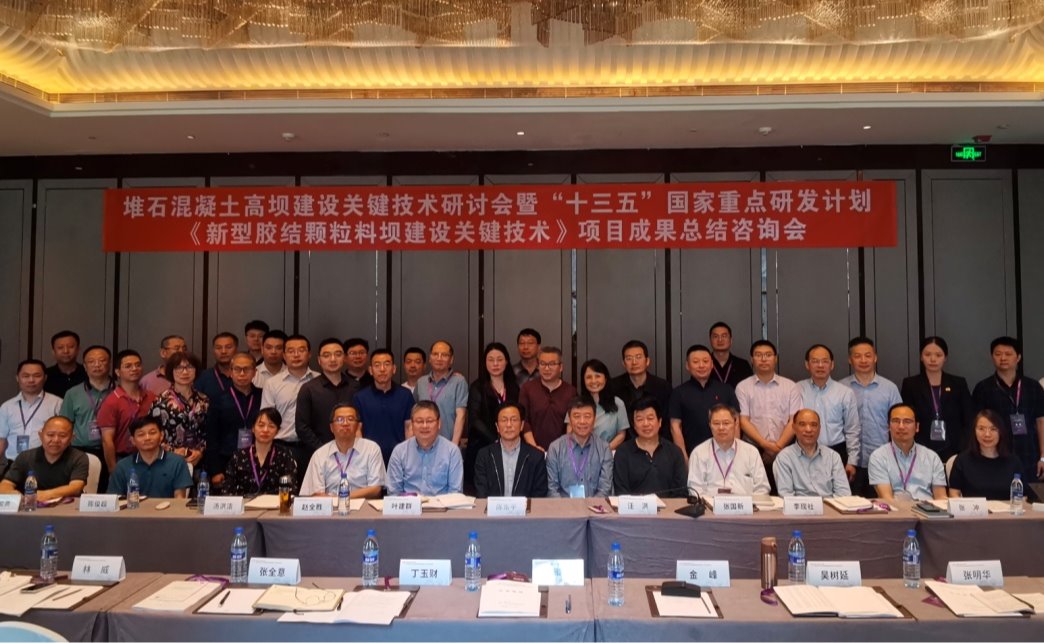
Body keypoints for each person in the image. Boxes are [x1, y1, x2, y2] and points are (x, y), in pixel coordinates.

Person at [972, 336, 1044, 482]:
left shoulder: (1033, 386)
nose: (1003, 358)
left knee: (1029, 494)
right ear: (992, 357)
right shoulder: (983, 388)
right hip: (995, 454)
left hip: (1029, 453)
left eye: (1008, 354)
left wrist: (1043, 456)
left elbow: (1041, 421)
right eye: (998, 354)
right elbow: (977, 426)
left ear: (1018, 357)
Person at [841, 336, 902, 494]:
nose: (863, 360)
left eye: (868, 355)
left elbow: (898, 424)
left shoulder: (890, 388)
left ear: (875, 357)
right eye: (857, 356)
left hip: (882, 460)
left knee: (882, 504)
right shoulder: (841, 388)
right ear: (850, 360)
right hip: (848, 461)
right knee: (849, 505)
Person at [901, 336, 974, 463]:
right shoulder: (911, 384)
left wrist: (962, 447)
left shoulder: (958, 383)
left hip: (954, 449)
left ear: (945, 357)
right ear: (921, 357)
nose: (933, 359)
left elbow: (969, 418)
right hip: (920, 449)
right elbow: (907, 418)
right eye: (927, 354)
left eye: (938, 355)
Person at [797, 344, 860, 483]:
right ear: (807, 364)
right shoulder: (797, 389)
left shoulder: (845, 392)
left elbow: (852, 430)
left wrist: (852, 461)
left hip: (837, 452)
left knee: (837, 493)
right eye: (815, 361)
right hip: (803, 453)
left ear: (832, 365)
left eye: (825, 361)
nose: (820, 365)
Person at [735, 340, 801, 470]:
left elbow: (794, 420)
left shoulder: (790, 386)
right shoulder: (742, 387)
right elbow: (743, 420)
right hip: (753, 449)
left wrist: (778, 447)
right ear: (752, 359)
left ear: (775, 359)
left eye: (768, 355)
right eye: (758, 355)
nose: (763, 359)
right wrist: (765, 445)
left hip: (785, 449)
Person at [260, 334, 318, 479]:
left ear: (309, 354)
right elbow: (267, 418)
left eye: (301, 350)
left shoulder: (320, 380)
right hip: (282, 446)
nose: (296, 355)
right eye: (291, 351)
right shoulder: (272, 383)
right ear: (284, 356)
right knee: (283, 490)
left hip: (314, 447)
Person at [668, 345, 740, 461]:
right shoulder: (678, 392)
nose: (701, 365)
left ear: (712, 364)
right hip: (692, 455)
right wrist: (684, 459)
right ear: (687, 365)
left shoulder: (726, 389)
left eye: (705, 361)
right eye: (695, 362)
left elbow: (736, 421)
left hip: (725, 455)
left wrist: (735, 454)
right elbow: (675, 427)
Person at [300, 404, 386, 498]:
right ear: (331, 427)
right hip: (331, 506)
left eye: (350, 419)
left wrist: (340, 498)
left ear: (358, 426)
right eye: (339, 419)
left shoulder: (371, 449)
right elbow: (316, 494)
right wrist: (336, 501)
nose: (345, 423)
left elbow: (376, 489)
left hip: (364, 505)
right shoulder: (319, 455)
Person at [59, 344, 114, 489]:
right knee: (83, 492)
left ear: (109, 363)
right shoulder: (73, 393)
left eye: (102, 360)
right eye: (91, 361)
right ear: (84, 366)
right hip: (81, 451)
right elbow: (65, 424)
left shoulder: (119, 390)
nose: (97, 365)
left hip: (112, 450)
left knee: (110, 492)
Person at [867, 403, 947, 502]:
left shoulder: (932, 457)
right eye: (896, 421)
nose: (901, 426)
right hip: (896, 509)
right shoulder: (878, 457)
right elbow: (886, 498)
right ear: (888, 426)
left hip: (928, 509)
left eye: (907, 421)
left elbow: (941, 498)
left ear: (917, 427)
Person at [687, 404, 770, 497]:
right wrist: (712, 504)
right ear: (710, 425)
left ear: (735, 423)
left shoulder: (751, 452)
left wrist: (748, 504)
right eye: (716, 423)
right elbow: (695, 490)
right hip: (710, 505)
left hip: (745, 505)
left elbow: (762, 488)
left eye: (726, 423)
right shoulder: (698, 453)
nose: (721, 428)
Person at [466, 343, 520, 487]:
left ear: (506, 361)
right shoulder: (477, 387)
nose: (495, 364)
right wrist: (496, 440)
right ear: (485, 363)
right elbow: (475, 419)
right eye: (490, 360)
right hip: (482, 445)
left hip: (511, 445)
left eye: (499, 359)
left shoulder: (514, 386)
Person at [205, 352, 262, 486]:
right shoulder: (218, 398)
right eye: (237, 369)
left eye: (246, 369)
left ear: (255, 372)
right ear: (230, 372)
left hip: (257, 459)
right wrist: (215, 470)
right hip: (226, 459)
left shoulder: (263, 396)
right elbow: (212, 436)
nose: (242, 374)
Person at [612, 396, 687, 497]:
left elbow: (680, 493)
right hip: (634, 507)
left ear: (660, 422)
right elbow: (621, 492)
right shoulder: (623, 453)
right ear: (634, 425)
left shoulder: (674, 452)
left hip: (669, 507)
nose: (646, 424)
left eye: (650, 418)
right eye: (640, 419)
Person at [97, 350, 157, 474]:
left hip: (151, 456)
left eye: (138, 365)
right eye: (128, 366)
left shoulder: (151, 397)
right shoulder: (111, 401)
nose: (134, 369)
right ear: (117, 372)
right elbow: (107, 441)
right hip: (124, 459)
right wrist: (113, 470)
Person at [0, 416, 88, 501]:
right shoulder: (25, 457)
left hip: (66, 507)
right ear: (41, 435)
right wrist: (13, 494)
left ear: (72, 438)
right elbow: (6, 484)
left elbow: (76, 488)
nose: (56, 440)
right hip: (30, 506)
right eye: (50, 435)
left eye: (62, 435)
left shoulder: (79, 457)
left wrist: (46, 495)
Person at [295, 338, 359, 454]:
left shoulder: (356, 388)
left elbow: (360, 423)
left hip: (353, 454)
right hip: (318, 454)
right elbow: (302, 427)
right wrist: (324, 451)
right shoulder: (308, 389)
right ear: (319, 360)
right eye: (326, 355)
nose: (333, 359)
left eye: (337, 354)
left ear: (344, 358)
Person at [386, 401, 463, 496]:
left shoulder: (452, 452)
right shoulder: (399, 452)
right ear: (412, 424)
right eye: (419, 421)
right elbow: (394, 492)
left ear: (439, 423)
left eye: (430, 421)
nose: (425, 426)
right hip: (409, 504)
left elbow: (455, 493)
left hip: (442, 504)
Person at [148, 351, 208, 469]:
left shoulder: (204, 400)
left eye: (189, 367)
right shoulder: (160, 401)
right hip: (168, 461)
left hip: (199, 461)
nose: (185, 372)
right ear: (171, 371)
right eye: (179, 368)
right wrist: (173, 452)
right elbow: (151, 433)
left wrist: (200, 452)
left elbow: (209, 432)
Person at [473, 403, 548, 498]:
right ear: (497, 427)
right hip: (492, 508)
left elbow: (539, 495)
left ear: (522, 425)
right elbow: (481, 493)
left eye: (514, 420)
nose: (509, 425)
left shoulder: (536, 457)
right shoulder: (484, 455)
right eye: (504, 420)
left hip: (526, 508)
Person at [107, 416, 193, 498]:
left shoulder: (177, 462)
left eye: (152, 433)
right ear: (133, 441)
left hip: (168, 508)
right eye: (141, 434)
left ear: (161, 435)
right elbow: (115, 499)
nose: (147, 438)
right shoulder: (122, 466)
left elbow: (179, 498)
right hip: (133, 508)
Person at [354, 349, 415, 464]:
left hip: (399, 458)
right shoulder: (360, 397)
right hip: (370, 459)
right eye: (377, 365)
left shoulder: (405, 395)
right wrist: (362, 457)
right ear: (370, 370)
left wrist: (408, 456)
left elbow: (409, 427)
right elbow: (357, 430)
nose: (382, 369)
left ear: (394, 369)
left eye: (387, 364)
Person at [773, 409, 852, 497]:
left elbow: (844, 494)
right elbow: (786, 496)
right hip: (798, 505)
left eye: (814, 425)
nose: (808, 429)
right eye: (802, 424)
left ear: (819, 429)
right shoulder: (784, 458)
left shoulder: (833, 457)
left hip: (829, 505)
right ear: (794, 428)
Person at [948, 409, 1023, 501]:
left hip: (1007, 510)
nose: (987, 434)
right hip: (974, 510)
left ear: (1001, 432)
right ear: (974, 431)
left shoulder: (1014, 462)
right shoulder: (962, 460)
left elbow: (1023, 496)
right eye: (981, 429)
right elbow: (953, 493)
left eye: (993, 429)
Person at [222, 407, 298, 497]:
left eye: (271, 426)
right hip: (244, 504)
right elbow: (227, 491)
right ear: (253, 428)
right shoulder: (239, 456)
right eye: (261, 425)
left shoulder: (284, 455)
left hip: (274, 504)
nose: (265, 430)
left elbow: (291, 489)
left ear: (277, 431)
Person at [546, 398, 614, 498]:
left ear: (594, 419)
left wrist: (591, 506)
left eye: (587, 416)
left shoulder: (604, 449)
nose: (582, 421)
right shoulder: (555, 448)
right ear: (569, 419)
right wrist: (566, 507)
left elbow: (605, 489)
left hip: (595, 506)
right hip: (563, 506)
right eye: (577, 416)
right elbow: (552, 489)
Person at [0, 359, 63, 464]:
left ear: (45, 378)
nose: (31, 380)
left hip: (47, 464)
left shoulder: (57, 403)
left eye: (37, 376)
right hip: (14, 464)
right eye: (26, 376)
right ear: (17, 378)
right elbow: (1, 440)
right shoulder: (7, 407)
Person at [609, 340, 672, 437]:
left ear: (647, 361)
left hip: (656, 441)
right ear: (623, 363)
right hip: (624, 443)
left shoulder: (662, 386)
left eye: (638, 357)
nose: (634, 362)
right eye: (629, 358)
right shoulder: (613, 386)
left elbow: (667, 422)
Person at [520, 346, 578, 451]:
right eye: (542, 363)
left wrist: (565, 448)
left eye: (552, 364)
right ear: (538, 366)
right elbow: (524, 420)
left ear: (561, 367)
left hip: (562, 451)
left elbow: (572, 423)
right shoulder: (527, 388)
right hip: (532, 450)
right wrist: (534, 447)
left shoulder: (571, 391)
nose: (547, 368)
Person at [413, 340, 468, 446]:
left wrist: (454, 446)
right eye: (435, 354)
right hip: (422, 445)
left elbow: (461, 416)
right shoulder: (421, 382)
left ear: (451, 359)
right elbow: (414, 414)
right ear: (430, 358)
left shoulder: (459, 381)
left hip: (447, 444)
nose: (439, 358)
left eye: (444, 355)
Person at [573, 359, 629, 449]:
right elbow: (570, 432)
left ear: (605, 379)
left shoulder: (617, 403)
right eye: (589, 377)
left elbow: (621, 434)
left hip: (608, 452)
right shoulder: (576, 403)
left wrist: (605, 450)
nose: (593, 381)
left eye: (597, 376)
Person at [194, 332, 238, 403]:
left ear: (236, 349)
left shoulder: (246, 375)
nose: (223, 351)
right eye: (218, 348)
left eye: (228, 347)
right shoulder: (202, 377)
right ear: (213, 351)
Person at [709, 322, 753, 389]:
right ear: (710, 340)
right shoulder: (703, 365)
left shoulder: (743, 365)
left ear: (731, 340)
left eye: (724, 336)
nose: (720, 340)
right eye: (715, 336)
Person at [44, 330, 87, 397]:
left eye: (71, 346)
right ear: (53, 352)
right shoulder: (45, 376)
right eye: (60, 347)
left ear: (78, 350)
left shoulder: (88, 373)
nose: (66, 351)